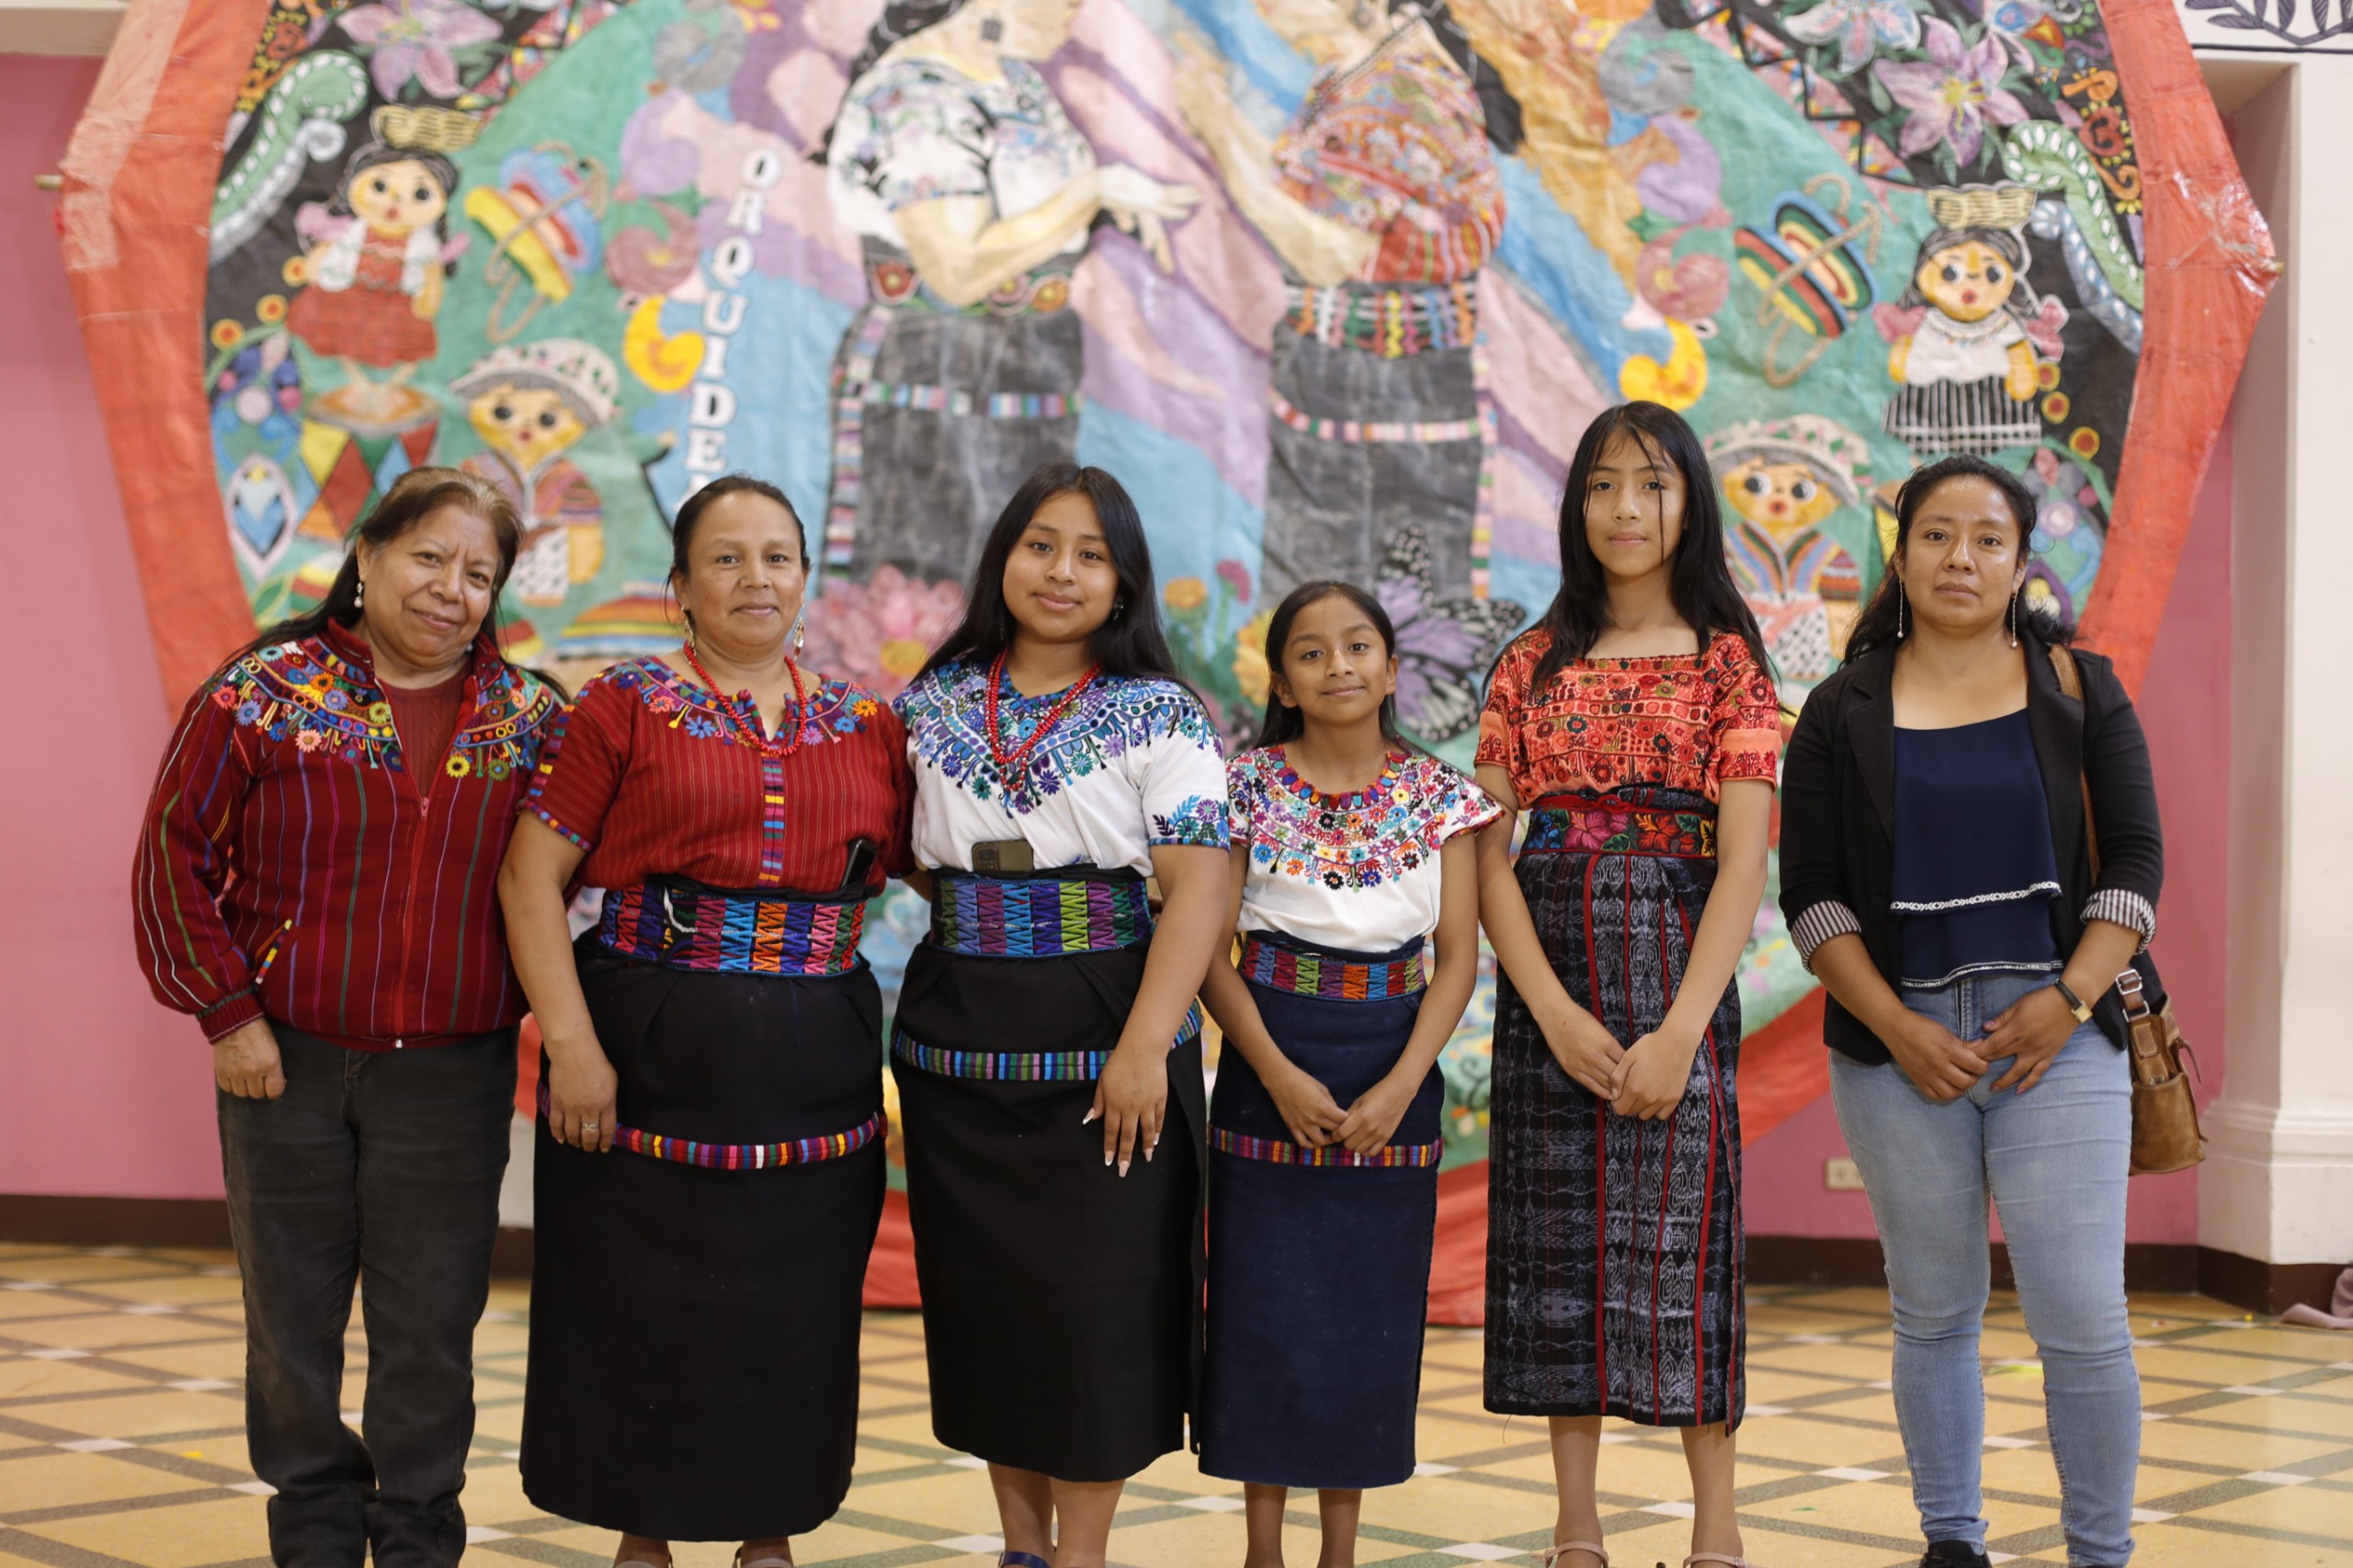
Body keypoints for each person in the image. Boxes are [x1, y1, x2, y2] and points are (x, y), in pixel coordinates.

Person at [132, 468, 560, 1568]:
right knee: (292, 1334)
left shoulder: (532, 720)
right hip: (284, 1066)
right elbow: (171, 854)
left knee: (430, 1332)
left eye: (478, 573)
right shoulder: (261, 689)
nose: (450, 590)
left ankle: (419, 1539)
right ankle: (314, 1536)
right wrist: (227, 1015)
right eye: (427, 557)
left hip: (452, 1076)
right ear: (365, 556)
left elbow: (576, 886)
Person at [497, 475, 914, 1565]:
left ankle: (769, 1524)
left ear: (806, 579)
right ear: (679, 585)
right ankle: (645, 1524)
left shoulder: (870, 723)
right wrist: (571, 1048)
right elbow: (528, 881)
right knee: (642, 1294)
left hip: (815, 1052)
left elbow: (940, 867)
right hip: (641, 1045)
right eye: (725, 558)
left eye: (777, 555)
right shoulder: (622, 704)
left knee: (795, 1298)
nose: (754, 577)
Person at [1779, 454, 2160, 1568]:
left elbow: (2133, 865)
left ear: (2021, 559)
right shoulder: (1839, 707)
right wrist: (1897, 1028)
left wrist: (2070, 994)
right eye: (1936, 534)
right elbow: (1812, 895)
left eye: (1987, 537)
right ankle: (1953, 1540)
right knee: (1933, 1308)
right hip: (1899, 1046)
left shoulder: (2080, 688)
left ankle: (2101, 1551)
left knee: (2081, 1317)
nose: (1961, 556)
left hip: (2061, 1035)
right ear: (1900, 554)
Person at [889, 462, 1230, 1568]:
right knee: (988, 1307)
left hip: (1109, 1042)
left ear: (1124, 585)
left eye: (1091, 554)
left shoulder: (1160, 711)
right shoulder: (931, 700)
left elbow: (1204, 888)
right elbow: (902, 856)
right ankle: (1020, 1546)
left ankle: (1081, 1552)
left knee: (1097, 1314)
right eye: (1041, 544)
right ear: (1003, 558)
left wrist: (1142, 1049)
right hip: (959, 1043)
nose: (1062, 571)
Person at [1474, 401, 1780, 1568]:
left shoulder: (1726, 662)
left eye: (1650, 485)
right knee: (1562, 1250)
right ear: (1576, 505)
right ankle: (1576, 1525)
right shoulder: (1528, 662)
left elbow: (1744, 857)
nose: (1624, 509)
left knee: (1685, 1243)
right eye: (1602, 485)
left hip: (1676, 973)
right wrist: (1550, 1011)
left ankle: (1716, 1526)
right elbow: (1484, 853)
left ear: (1688, 501)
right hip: (1546, 979)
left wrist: (1681, 1032)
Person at [1197, 581, 1497, 1568]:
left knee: (1363, 1322)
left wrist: (1406, 1081)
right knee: (1263, 1313)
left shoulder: (1445, 798)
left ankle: (1339, 1550)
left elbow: (1455, 955)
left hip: (1391, 1070)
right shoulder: (1239, 787)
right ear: (1281, 678)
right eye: (1313, 651)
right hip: (1266, 1062)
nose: (1338, 666)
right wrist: (1274, 1070)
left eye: (1358, 646)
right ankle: (1262, 1548)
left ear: (1392, 668)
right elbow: (1208, 947)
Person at [819, 0, 1198, 583]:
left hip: (1031, 358)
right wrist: (1091, 191)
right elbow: (957, 269)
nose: (1078, 8)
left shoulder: (1011, 76)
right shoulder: (917, 94)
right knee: (926, 590)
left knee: (1026, 583)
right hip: (938, 363)